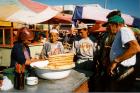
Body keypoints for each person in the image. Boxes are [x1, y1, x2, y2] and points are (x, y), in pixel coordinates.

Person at [104, 15, 140, 91]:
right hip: (121, 69)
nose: (107, 28)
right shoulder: (120, 32)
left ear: (116, 24)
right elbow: (125, 48)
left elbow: (135, 48)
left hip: (124, 70)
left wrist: (115, 61)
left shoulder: (124, 30)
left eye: (109, 25)